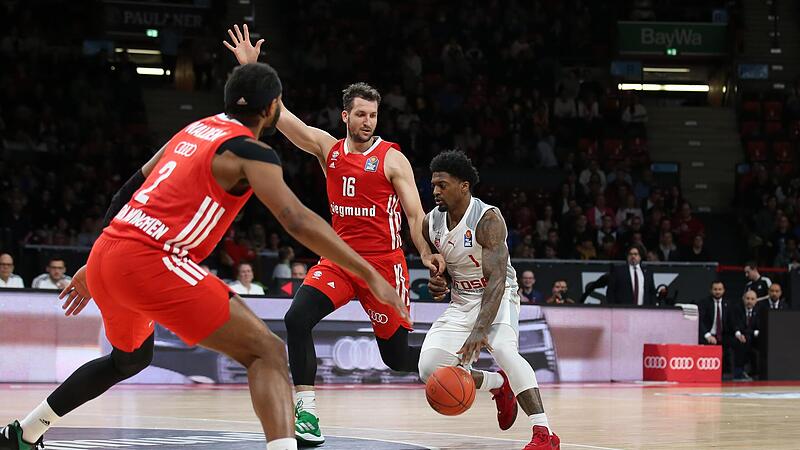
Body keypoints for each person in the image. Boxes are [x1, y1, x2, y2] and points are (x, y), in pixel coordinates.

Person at [0, 62, 408, 450]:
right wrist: (368, 273)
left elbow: (127, 190)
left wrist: (95, 260)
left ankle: (24, 431)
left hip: (109, 250)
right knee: (265, 351)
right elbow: (297, 220)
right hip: (152, 260)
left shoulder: (193, 129)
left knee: (130, 359)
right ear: (270, 109)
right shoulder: (253, 152)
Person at [225, 25, 444, 445]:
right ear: (345, 116)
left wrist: (426, 251)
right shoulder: (329, 148)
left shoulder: (392, 159)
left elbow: (415, 215)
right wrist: (253, 70)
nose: (367, 121)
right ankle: (306, 414)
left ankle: (464, 366)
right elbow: (281, 117)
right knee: (296, 317)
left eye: (373, 115)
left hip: (383, 266)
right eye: (360, 114)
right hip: (340, 261)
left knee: (397, 359)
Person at [423, 150, 560, 450]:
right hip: (462, 300)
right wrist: (439, 283)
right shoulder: (430, 223)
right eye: (433, 184)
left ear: (464, 186)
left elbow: (496, 280)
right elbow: (446, 270)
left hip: (498, 295)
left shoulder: (487, 219)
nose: (435, 191)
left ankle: (544, 434)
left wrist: (480, 330)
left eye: (442, 185)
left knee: (504, 350)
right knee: (429, 367)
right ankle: (499, 385)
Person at [698, 281, 736, 377]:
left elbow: (732, 321)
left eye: (720, 289)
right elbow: (700, 321)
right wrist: (708, 335)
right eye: (715, 289)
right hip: (708, 335)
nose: (717, 292)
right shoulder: (704, 303)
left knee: (733, 343)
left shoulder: (728, 304)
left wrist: (738, 333)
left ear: (723, 290)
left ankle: (730, 374)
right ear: (711, 290)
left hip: (723, 335)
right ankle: (706, 374)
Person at [733, 290, 761, 380]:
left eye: (752, 299)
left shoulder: (759, 311)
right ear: (743, 299)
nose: (749, 301)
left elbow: (759, 327)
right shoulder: (737, 309)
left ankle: (755, 372)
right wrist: (740, 334)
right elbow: (738, 326)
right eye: (747, 298)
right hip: (741, 337)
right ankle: (739, 372)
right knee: (742, 342)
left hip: (755, 339)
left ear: (756, 300)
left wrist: (752, 333)